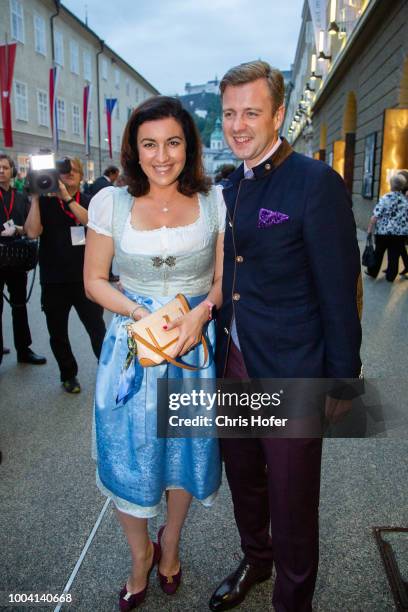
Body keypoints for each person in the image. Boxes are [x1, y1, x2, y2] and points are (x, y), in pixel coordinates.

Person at [209, 61, 362, 612]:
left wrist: (343, 378)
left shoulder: (316, 182)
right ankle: (257, 558)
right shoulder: (229, 186)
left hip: (294, 367)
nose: (238, 124)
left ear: (278, 114)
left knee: (293, 499)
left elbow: (340, 290)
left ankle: (293, 601)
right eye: (229, 113)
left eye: (251, 111)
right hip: (235, 362)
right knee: (244, 479)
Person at [84, 96, 225, 610]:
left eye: (172, 142)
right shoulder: (110, 203)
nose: (161, 155)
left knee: (185, 448)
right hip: (131, 347)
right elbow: (94, 280)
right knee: (131, 453)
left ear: (188, 146)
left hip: (190, 346)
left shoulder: (215, 202)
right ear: (134, 149)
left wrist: (200, 312)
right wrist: (140, 316)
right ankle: (140, 554)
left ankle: (171, 545)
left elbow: (220, 279)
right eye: (149, 144)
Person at [24, 157, 106, 393]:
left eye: (74, 171)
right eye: (64, 170)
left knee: (97, 329)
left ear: (81, 176)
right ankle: (68, 374)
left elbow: (92, 224)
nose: (69, 173)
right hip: (54, 280)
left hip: (86, 279)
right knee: (57, 333)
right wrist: (37, 197)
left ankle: (107, 369)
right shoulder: (46, 204)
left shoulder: (90, 202)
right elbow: (31, 232)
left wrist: (66, 198)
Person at [0, 154, 46, 366]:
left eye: (5, 167)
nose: (1, 171)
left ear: (12, 171)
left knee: (19, 305)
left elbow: (29, 226)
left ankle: (23, 349)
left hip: (17, 258)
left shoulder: (20, 197)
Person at [366, 174, 408, 282]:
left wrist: (369, 230)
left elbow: (375, 216)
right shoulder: (405, 201)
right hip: (399, 234)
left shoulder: (385, 198)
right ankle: (390, 276)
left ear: (391, 185)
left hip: (383, 233)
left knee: (378, 253)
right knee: (394, 256)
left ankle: (373, 272)